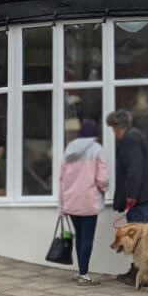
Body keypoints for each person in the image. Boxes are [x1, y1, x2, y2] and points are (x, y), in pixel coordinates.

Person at [106, 109, 148, 285]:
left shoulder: (130, 138)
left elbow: (134, 170)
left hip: (142, 196)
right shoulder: (135, 135)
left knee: (139, 236)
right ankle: (137, 269)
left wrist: (131, 196)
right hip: (146, 193)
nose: (113, 132)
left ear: (119, 127)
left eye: (113, 128)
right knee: (138, 235)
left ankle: (145, 276)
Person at [57, 118, 109, 285]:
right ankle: (84, 274)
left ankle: (80, 271)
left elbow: (61, 178)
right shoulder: (96, 149)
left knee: (79, 237)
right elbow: (102, 178)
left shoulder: (69, 150)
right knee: (87, 238)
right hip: (89, 200)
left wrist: (61, 204)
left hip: (71, 201)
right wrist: (104, 189)